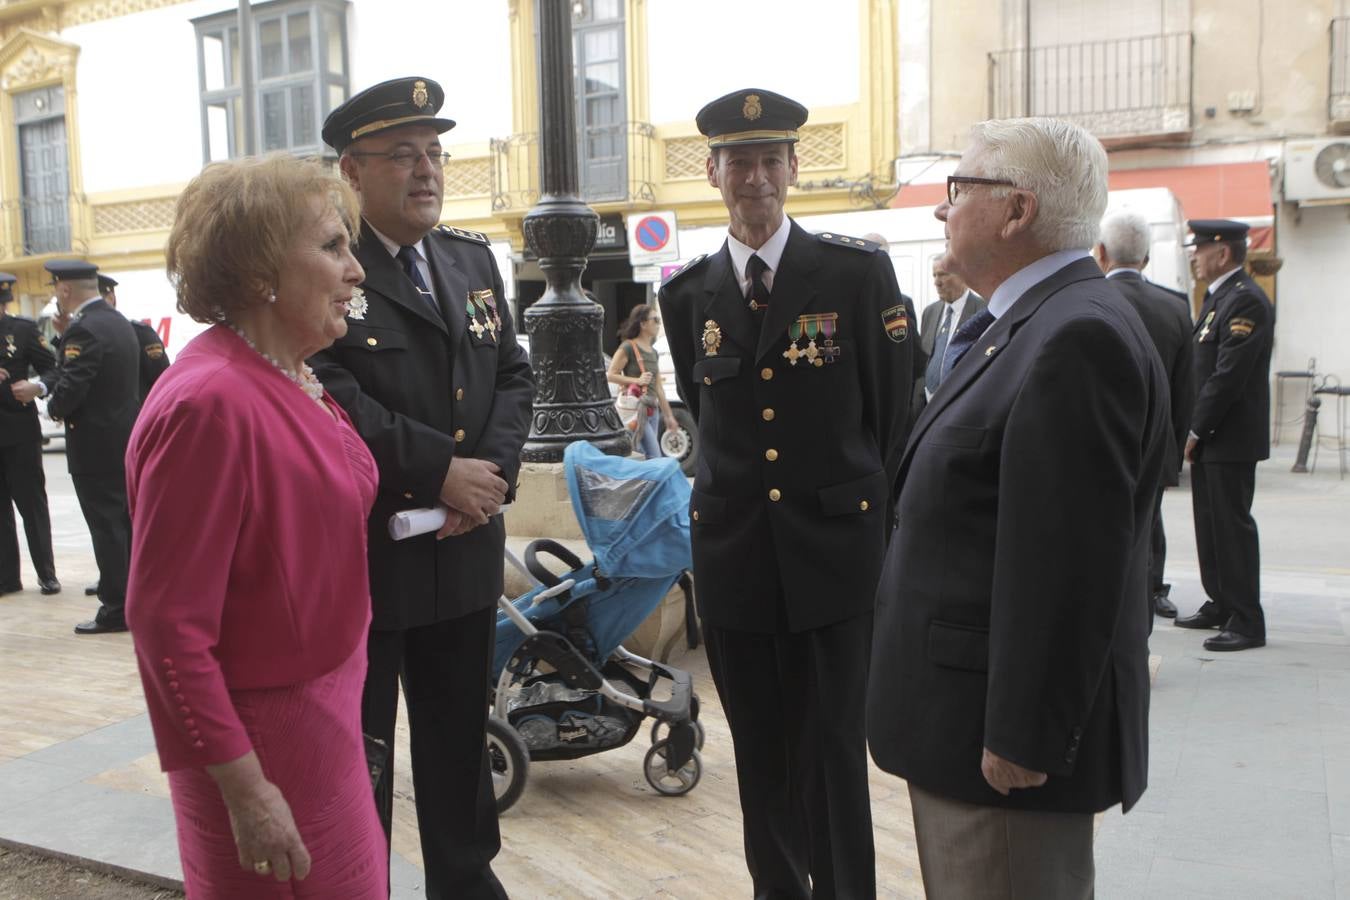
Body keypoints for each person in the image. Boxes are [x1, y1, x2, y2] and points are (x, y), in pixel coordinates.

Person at [867, 118, 1169, 900]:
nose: (942, 211)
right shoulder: (1035, 322)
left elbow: (1066, 564)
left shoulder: (1074, 337)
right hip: (963, 726)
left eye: (957, 190)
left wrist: (1021, 736)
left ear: (1015, 211)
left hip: (998, 755)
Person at [660, 88, 913, 899]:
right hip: (737, 560)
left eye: (771, 161)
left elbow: (891, 417)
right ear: (713, 173)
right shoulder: (687, 294)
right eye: (740, 163)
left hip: (836, 558)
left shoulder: (855, 272)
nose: (756, 178)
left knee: (834, 753)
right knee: (760, 754)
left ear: (795, 169)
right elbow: (710, 419)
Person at [124, 154, 385, 897]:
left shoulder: (287, 371)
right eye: (333, 247)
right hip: (265, 744)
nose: (356, 270)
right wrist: (248, 792)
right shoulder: (211, 403)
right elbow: (168, 623)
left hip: (322, 719)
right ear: (260, 271)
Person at [310, 75, 533, 899]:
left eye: (435, 153)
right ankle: (358, 882)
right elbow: (328, 387)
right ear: (352, 172)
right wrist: (438, 467)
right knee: (359, 748)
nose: (426, 170)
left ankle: (467, 883)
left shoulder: (470, 261)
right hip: (371, 557)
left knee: (456, 739)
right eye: (402, 155)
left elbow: (512, 373)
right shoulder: (332, 262)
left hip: (465, 544)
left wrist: (492, 477)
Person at [11, 259, 139, 634]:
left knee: (107, 527)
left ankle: (116, 608)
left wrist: (49, 405)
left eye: (56, 289)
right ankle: (132, 599)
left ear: (65, 289)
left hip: (95, 445)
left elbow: (73, 386)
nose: (55, 295)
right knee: (124, 524)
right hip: (122, 439)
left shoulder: (84, 330)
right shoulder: (117, 322)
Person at [1175, 219, 1274, 652]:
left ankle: (1248, 620)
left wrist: (1196, 427)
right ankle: (1221, 601)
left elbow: (1227, 376)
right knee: (1209, 525)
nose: (1194, 257)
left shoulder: (1246, 299)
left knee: (1231, 527)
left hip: (1229, 435)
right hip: (1214, 435)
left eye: (1200, 249)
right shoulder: (1218, 299)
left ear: (1223, 253)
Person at [1094, 209, 1194, 623]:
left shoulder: (1090, 300)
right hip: (1155, 446)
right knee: (1147, 527)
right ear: (1146, 259)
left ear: (1100, 254)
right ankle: (1147, 604)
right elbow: (1186, 391)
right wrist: (1172, 453)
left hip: (1100, 447)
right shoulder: (1174, 307)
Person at [0, 273, 59, 596]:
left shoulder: (22, 330)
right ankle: (7, 577)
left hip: (20, 432)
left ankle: (46, 574)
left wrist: (36, 386)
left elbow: (53, 367)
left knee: (32, 505)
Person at [606, 304, 678, 459]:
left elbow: (659, 388)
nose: (659, 324)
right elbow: (611, 374)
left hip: (653, 409)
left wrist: (669, 416)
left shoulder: (654, 352)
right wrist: (636, 380)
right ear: (643, 323)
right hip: (638, 409)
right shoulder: (628, 347)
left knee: (644, 456)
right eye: (655, 319)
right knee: (654, 455)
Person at [916, 258, 987, 412]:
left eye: (942, 275)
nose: (937, 282)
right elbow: (924, 358)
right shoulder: (930, 312)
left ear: (963, 275)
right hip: (925, 405)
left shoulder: (984, 310)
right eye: (934, 275)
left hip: (960, 405)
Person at [99, 274, 171, 401]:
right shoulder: (84, 338)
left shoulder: (140, 333)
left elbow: (162, 379)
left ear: (110, 299)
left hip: (137, 416)